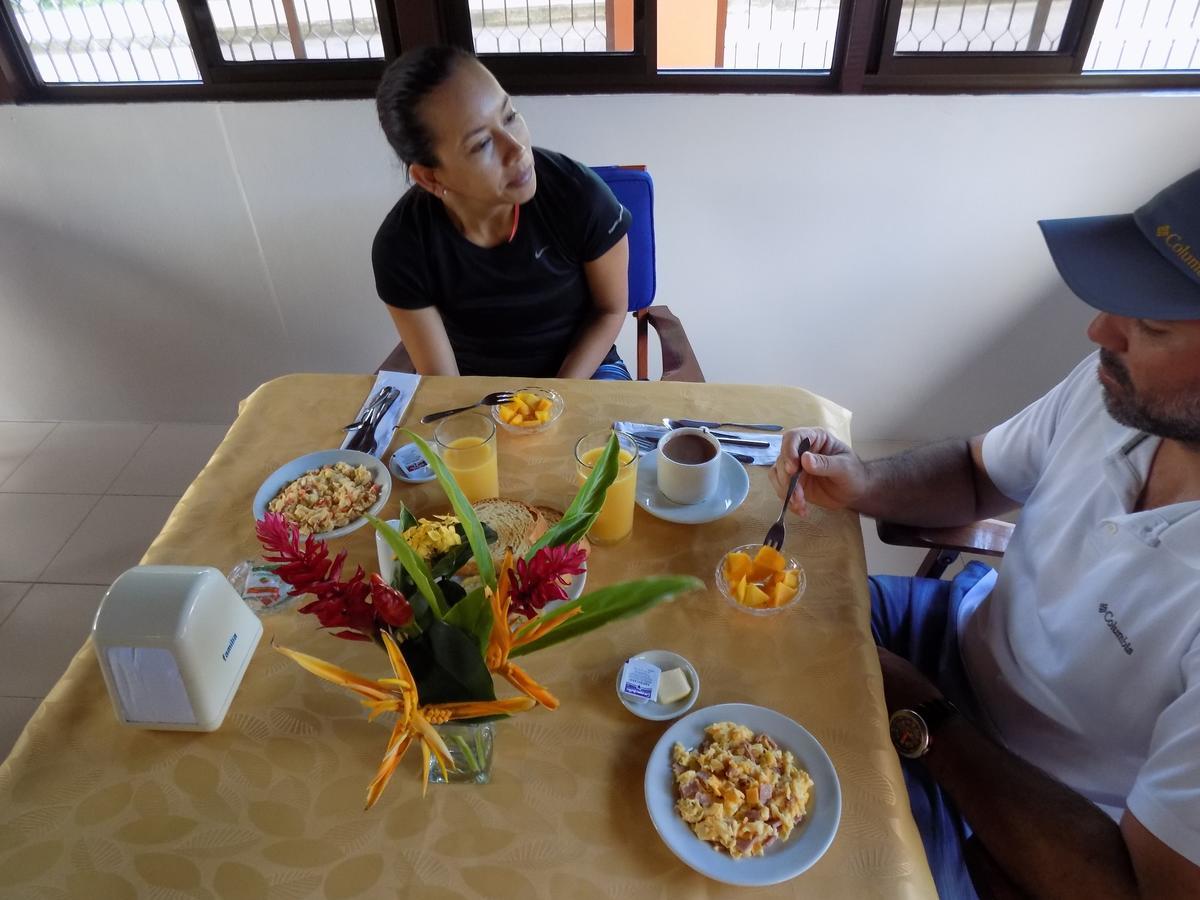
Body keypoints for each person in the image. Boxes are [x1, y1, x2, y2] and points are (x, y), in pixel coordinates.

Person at [772, 169, 1200, 898]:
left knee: (800, 865)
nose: (1099, 330)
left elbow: (1134, 888)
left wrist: (922, 715)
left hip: (1030, 812)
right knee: (736, 630)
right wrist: (866, 482)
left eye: (1151, 326)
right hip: (950, 636)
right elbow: (977, 474)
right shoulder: (1122, 393)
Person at [372, 46, 633, 380]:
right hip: (478, 390)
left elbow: (610, 310)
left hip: (585, 373)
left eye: (510, 116)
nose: (517, 148)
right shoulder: (402, 246)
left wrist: (552, 397)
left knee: (601, 433)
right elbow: (444, 384)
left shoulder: (578, 194)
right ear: (431, 177)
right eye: (482, 144)